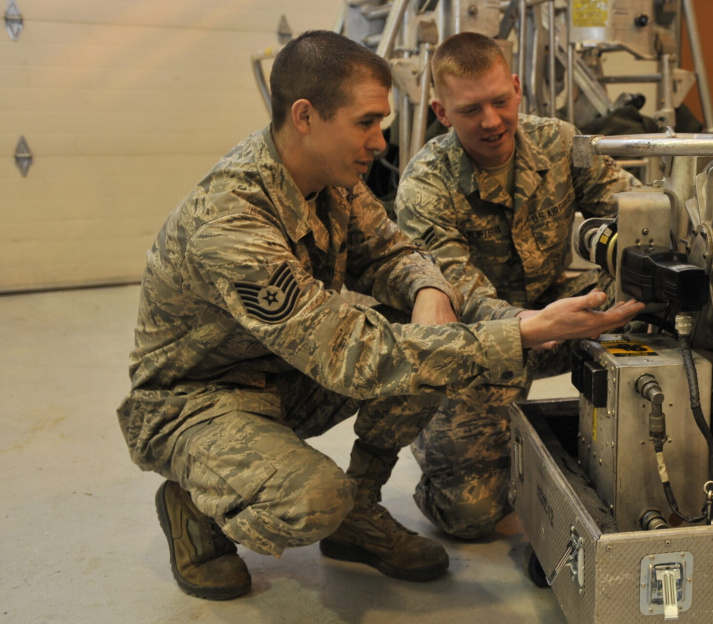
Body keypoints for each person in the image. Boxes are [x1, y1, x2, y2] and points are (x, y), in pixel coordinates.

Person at [116, 30, 642, 601]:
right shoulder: (233, 221)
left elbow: (395, 252)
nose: (381, 138)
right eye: (366, 122)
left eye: (382, 121)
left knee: (425, 334)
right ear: (306, 116)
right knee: (315, 499)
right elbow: (352, 355)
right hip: (196, 402)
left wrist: (427, 290)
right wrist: (522, 330)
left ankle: (359, 511)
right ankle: (193, 504)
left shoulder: (331, 179)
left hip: (283, 375)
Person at [392, 32, 639, 540]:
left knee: (659, 299)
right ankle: (439, 441)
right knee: (471, 515)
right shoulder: (425, 185)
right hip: (476, 348)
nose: (490, 121)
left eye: (500, 101)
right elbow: (458, 290)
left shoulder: (560, 142)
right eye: (470, 109)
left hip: (557, 318)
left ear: (518, 89)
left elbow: (636, 211)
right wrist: (527, 324)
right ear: (441, 111)